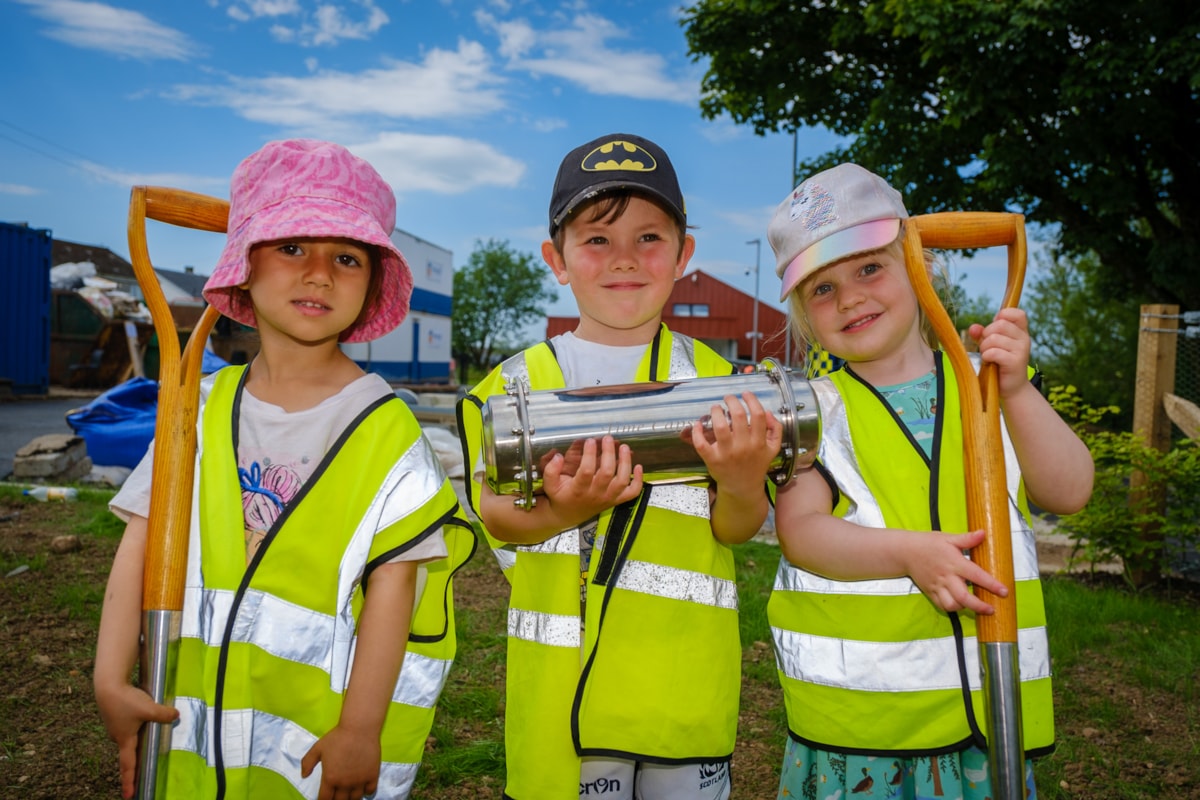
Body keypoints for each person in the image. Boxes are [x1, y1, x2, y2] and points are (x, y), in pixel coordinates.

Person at [93, 138, 474, 800]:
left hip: (305, 749)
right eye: (293, 246)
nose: (319, 273)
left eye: (346, 257)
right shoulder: (197, 409)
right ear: (243, 264)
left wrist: (361, 727)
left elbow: (396, 584)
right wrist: (108, 679)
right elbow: (140, 541)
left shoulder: (386, 430)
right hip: (185, 727)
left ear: (373, 282)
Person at [457, 133, 783, 799]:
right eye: (597, 239)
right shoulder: (512, 388)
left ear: (684, 254)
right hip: (562, 701)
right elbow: (494, 517)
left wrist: (745, 482)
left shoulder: (719, 383)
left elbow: (737, 527)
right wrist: (563, 513)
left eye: (649, 238)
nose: (625, 260)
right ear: (557, 258)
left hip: (680, 694)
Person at [766, 163, 1095, 799]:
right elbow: (802, 532)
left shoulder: (990, 385)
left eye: (869, 267)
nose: (851, 296)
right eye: (822, 289)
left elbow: (1070, 489)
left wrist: (1019, 389)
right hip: (862, 735)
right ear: (804, 316)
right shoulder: (813, 410)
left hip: (989, 721)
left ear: (922, 267)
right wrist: (907, 554)